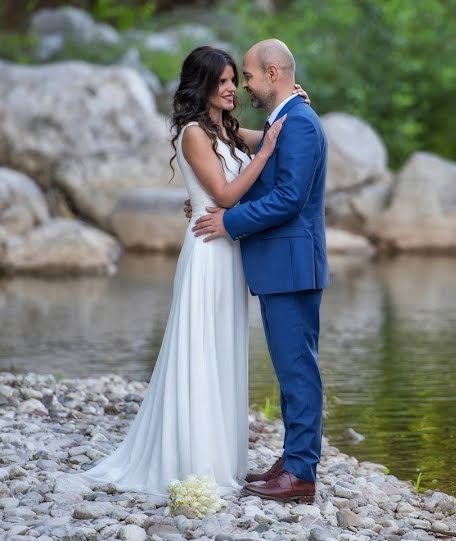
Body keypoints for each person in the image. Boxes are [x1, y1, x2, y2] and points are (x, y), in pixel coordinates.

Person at [75, 45, 304, 496]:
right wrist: (263, 154)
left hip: (230, 253)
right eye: (220, 82)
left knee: (224, 348)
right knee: (200, 348)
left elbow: (276, 133)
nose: (230, 89)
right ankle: (193, 458)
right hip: (207, 253)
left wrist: (291, 103)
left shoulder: (228, 130)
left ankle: (220, 456)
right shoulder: (194, 133)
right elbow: (224, 195)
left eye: (233, 80)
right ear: (201, 86)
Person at [191, 39, 330, 503]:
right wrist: (211, 200)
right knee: (290, 371)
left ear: (273, 73)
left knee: (298, 371)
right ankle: (293, 460)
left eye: (247, 76)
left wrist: (229, 221)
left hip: (292, 267)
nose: (244, 85)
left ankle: (302, 473)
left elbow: (290, 198)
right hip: (280, 267)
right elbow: (256, 170)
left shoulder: (301, 126)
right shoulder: (285, 122)